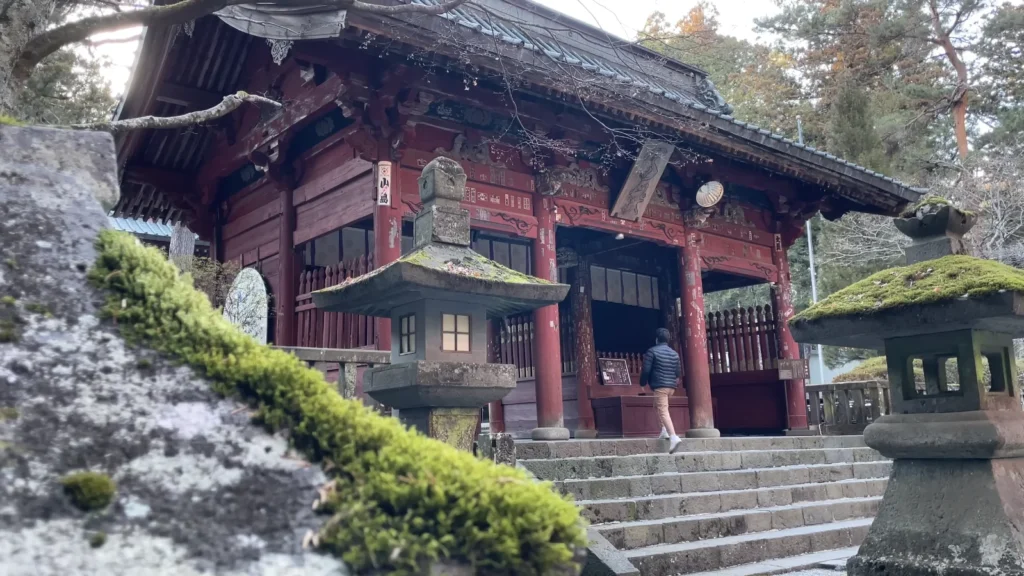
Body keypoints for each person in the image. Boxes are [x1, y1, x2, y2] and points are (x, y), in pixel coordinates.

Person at [640, 328, 683, 453]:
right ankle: (663, 430)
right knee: (657, 406)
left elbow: (646, 370)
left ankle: (673, 437)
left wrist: (643, 383)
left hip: (660, 386)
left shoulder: (652, 351)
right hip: (671, 387)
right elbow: (678, 373)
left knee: (663, 410)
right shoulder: (675, 354)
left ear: (657, 339)